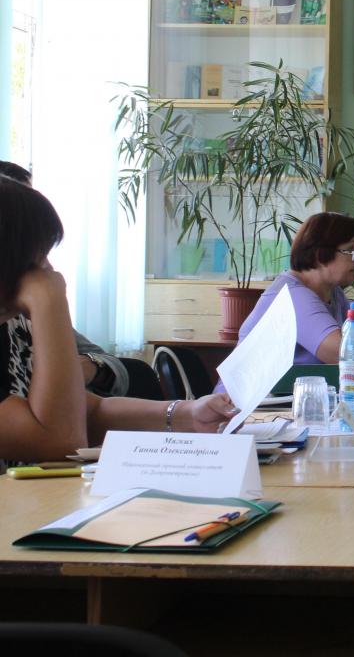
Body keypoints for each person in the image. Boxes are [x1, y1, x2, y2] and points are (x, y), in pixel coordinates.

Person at [0, 176, 234, 469]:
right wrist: (49, 300)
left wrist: (188, 413)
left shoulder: (14, 326)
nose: (48, 270)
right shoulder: (36, 309)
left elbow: (90, 412)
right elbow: (60, 440)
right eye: (36, 259)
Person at [0, 160, 129, 397]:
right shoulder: (29, 306)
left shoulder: (20, 316)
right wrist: (49, 300)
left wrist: (86, 367)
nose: (48, 268)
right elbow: (60, 424)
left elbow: (114, 373)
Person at [234, 212, 354, 366]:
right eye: (350, 250)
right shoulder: (291, 295)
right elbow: (343, 354)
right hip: (254, 386)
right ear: (320, 254)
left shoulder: (333, 292)